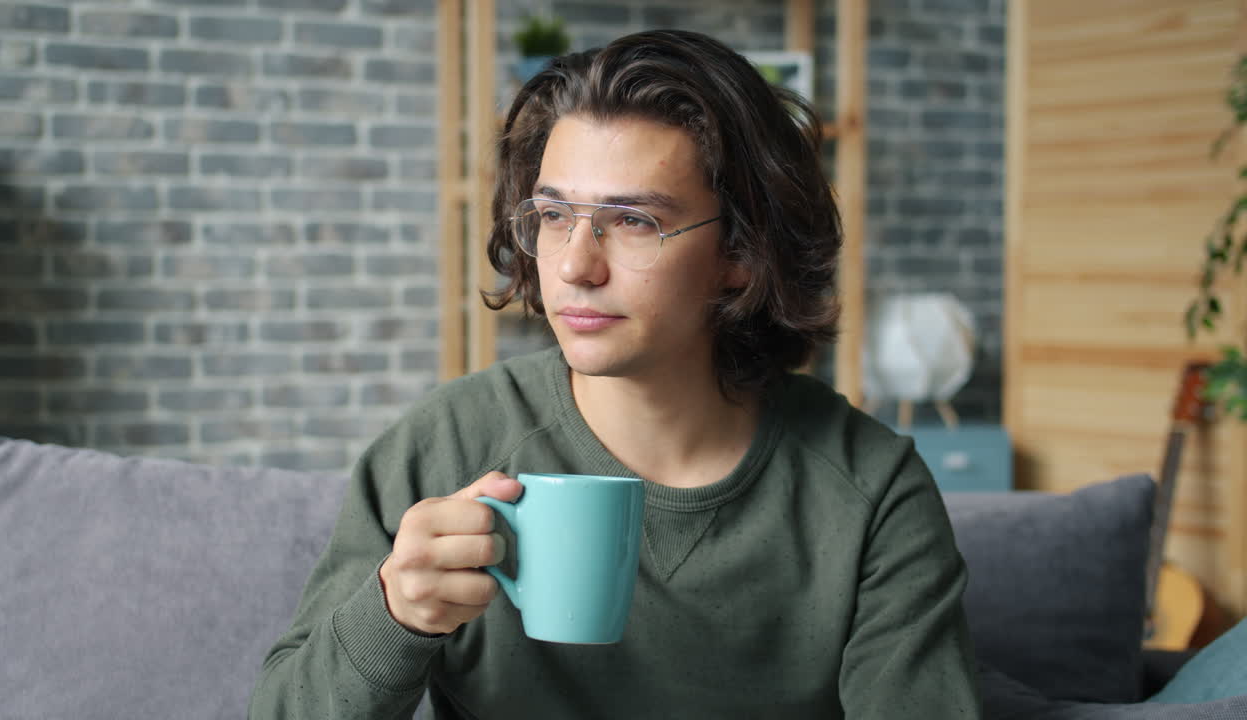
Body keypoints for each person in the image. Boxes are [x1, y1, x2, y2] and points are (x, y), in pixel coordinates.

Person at [249, 29, 980, 719]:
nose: (574, 265)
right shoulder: (443, 447)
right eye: (554, 214)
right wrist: (394, 614)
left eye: (634, 221)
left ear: (743, 253)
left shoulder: (871, 492)